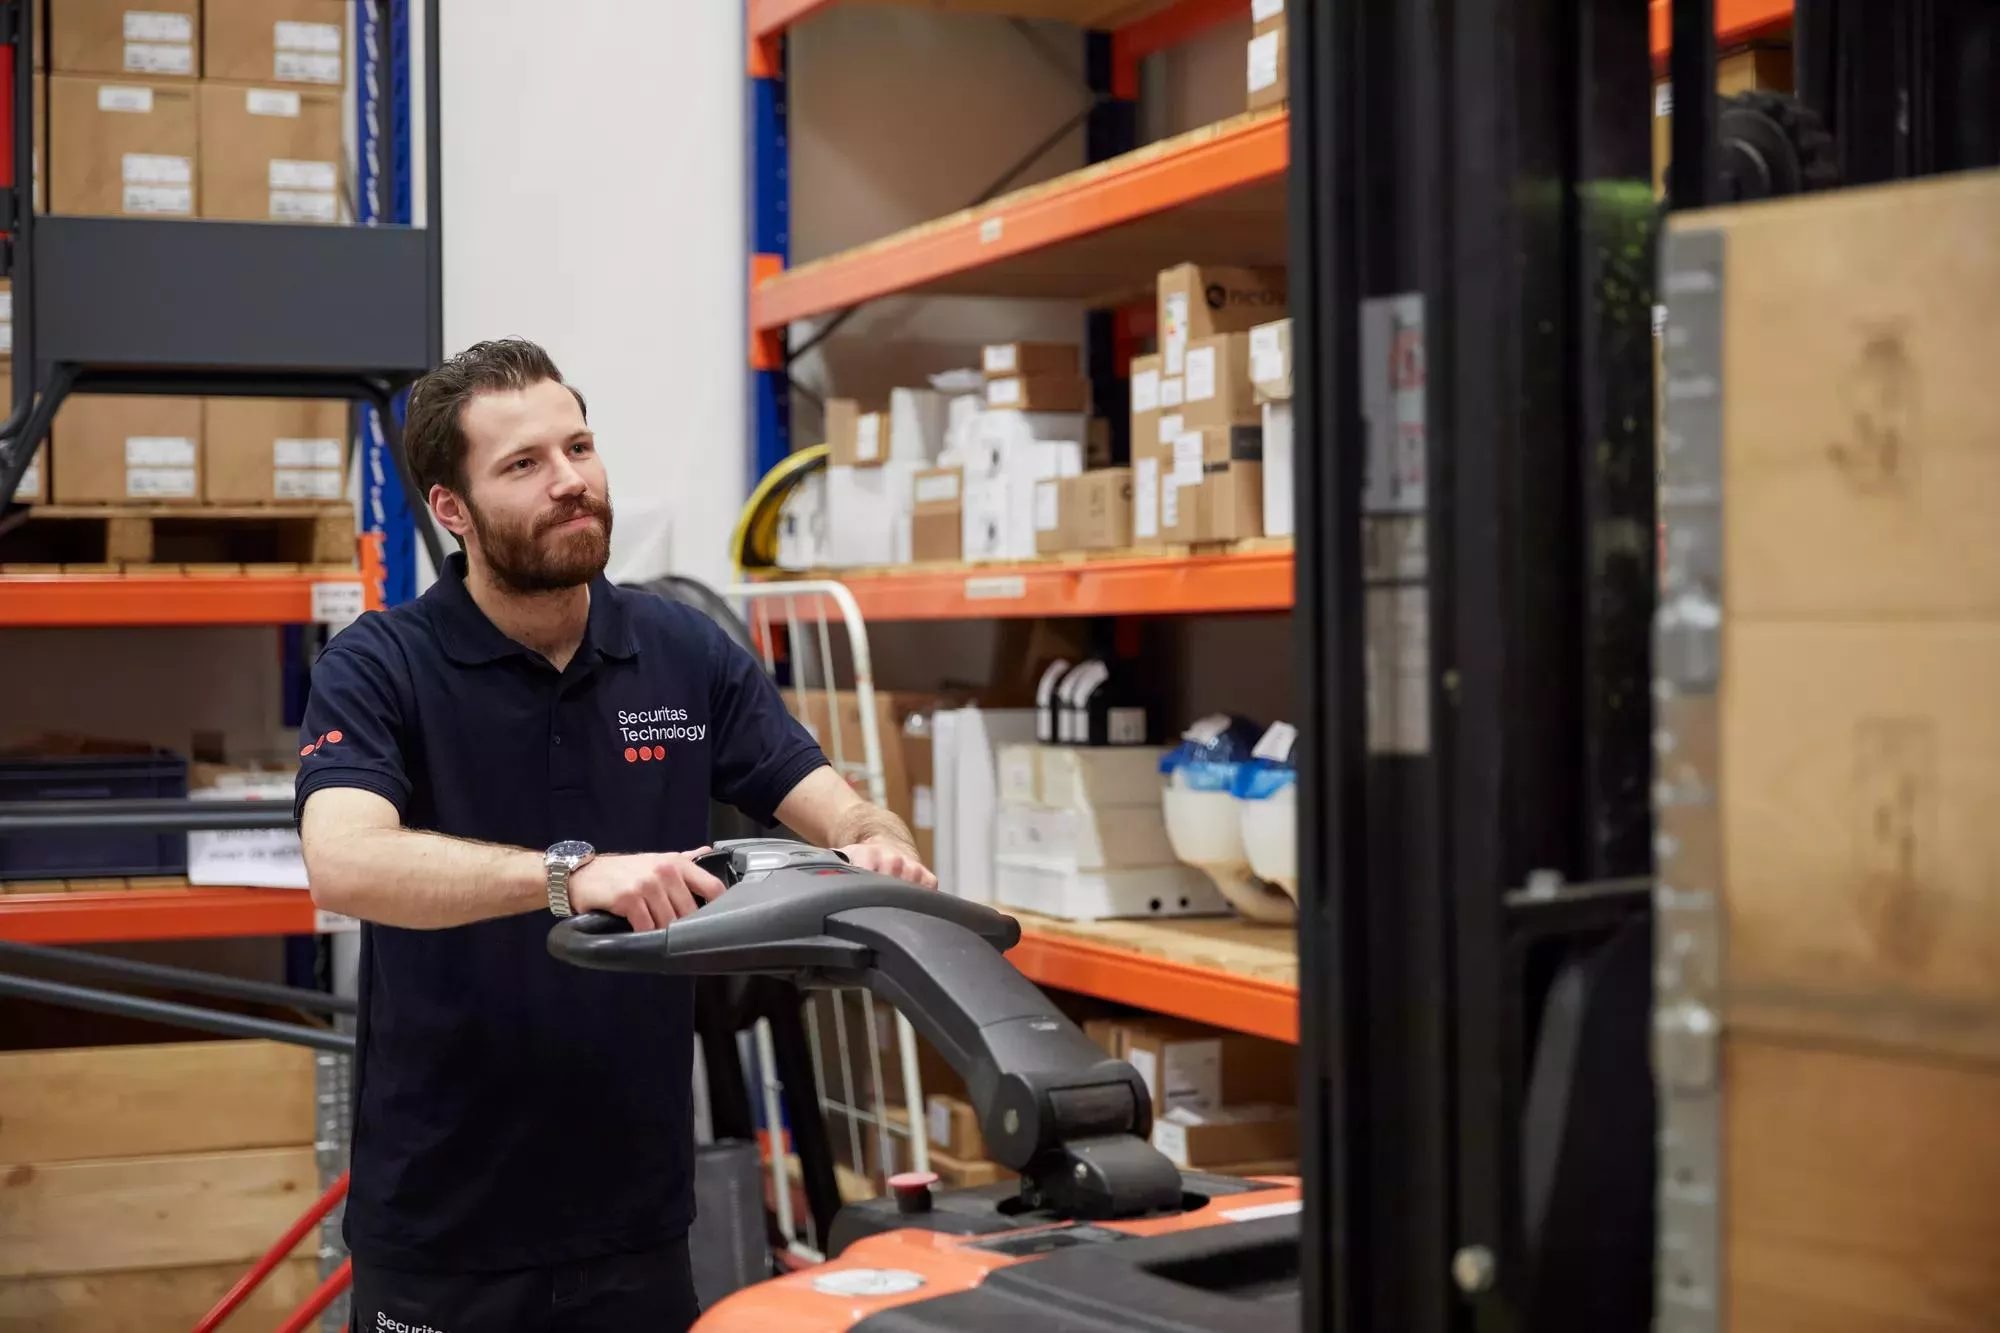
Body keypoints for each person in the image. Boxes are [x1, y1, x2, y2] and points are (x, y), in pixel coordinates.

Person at [295, 337, 933, 1331]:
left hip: (633, 1222)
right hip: (445, 1226)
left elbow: (838, 806)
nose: (570, 482)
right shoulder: (381, 666)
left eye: (578, 448)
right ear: (450, 511)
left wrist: (877, 841)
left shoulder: (679, 653)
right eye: (524, 464)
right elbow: (343, 860)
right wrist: (571, 875)